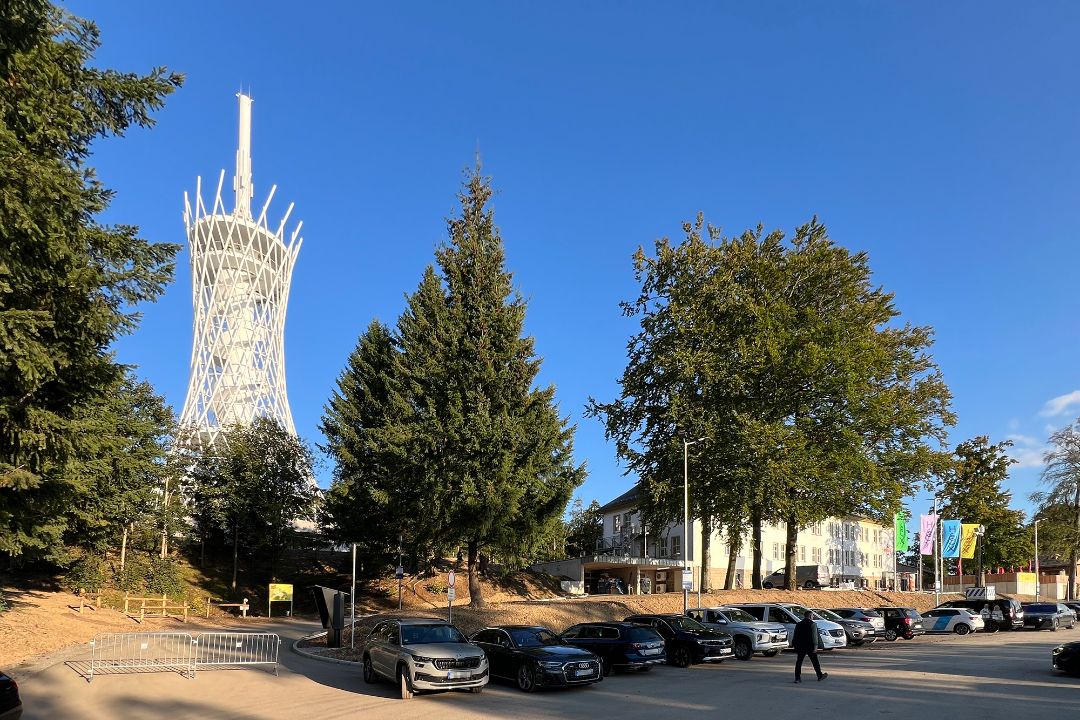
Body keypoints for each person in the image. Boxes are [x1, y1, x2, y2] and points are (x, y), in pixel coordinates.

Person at [792, 609, 828, 683]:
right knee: (815, 662)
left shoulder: (799, 624)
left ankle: (797, 678)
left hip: (800, 646)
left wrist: (795, 644)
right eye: (812, 615)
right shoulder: (813, 624)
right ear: (810, 616)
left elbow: (795, 635)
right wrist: (816, 646)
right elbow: (814, 636)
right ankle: (819, 675)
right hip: (810, 646)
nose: (813, 616)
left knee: (799, 662)